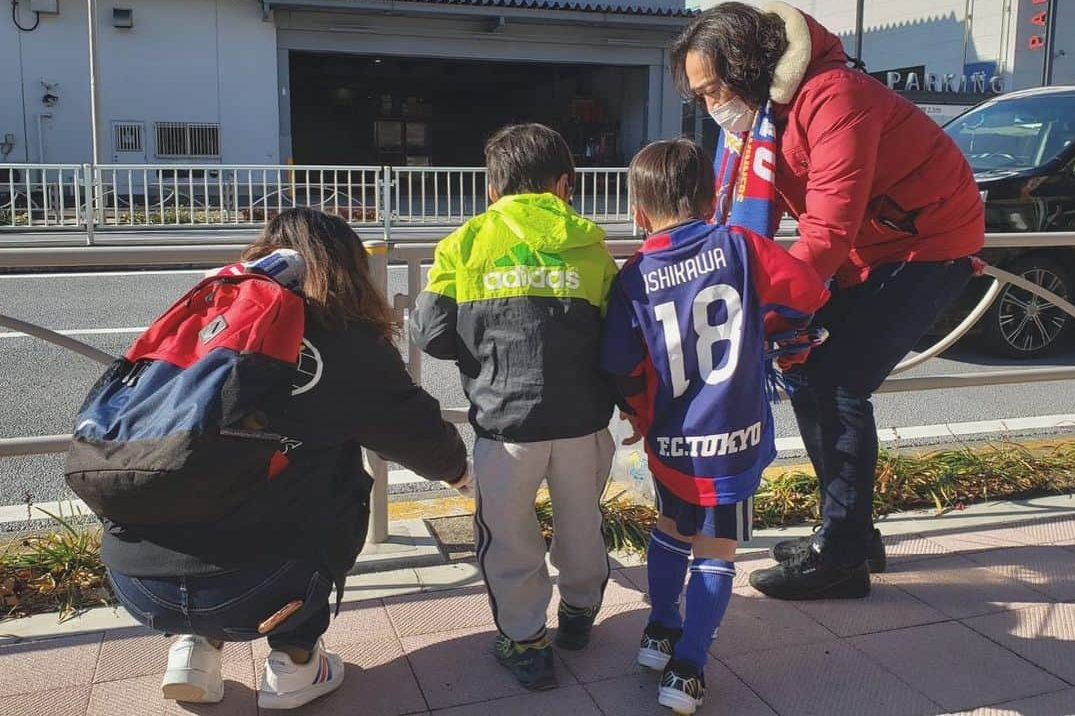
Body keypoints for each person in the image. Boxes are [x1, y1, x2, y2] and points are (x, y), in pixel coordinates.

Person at [670, 2, 985, 600]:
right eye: (700, 96)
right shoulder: (769, 115)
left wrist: (756, 308)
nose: (712, 107)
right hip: (878, 245)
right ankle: (849, 532)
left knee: (839, 381)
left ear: (748, 68)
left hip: (931, 241)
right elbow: (772, 223)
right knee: (806, 371)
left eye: (715, 90)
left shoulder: (835, 95)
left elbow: (827, 231)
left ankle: (841, 557)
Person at [103, 208, 470, 710]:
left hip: (136, 579)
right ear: (346, 268)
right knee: (339, 469)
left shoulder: (206, 318)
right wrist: (464, 475)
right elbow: (414, 434)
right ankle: (296, 663)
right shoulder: (345, 339)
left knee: (209, 468)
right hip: (265, 588)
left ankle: (193, 648)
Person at [601, 138, 829, 714]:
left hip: (672, 439)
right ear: (712, 199)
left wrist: (637, 412)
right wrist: (770, 323)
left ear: (638, 211)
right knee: (717, 547)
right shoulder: (741, 244)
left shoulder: (633, 275)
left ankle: (658, 631)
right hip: (735, 436)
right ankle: (690, 667)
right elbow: (806, 292)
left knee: (671, 526)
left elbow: (621, 363)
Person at [411, 123, 618, 691]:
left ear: (491, 190)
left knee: (508, 535)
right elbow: (618, 336)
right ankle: (578, 616)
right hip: (583, 425)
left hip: (505, 427)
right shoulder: (592, 243)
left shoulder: (466, 242)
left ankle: (526, 643)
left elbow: (431, 335)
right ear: (564, 184)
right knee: (581, 523)